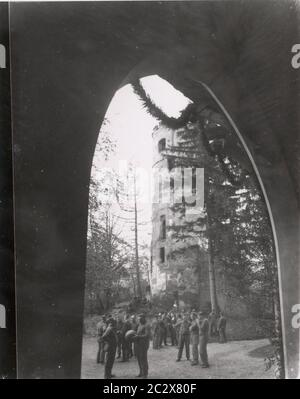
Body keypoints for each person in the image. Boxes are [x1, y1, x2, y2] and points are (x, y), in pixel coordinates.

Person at [134, 314, 151, 378]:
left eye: (140, 319)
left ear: (143, 318)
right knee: (139, 359)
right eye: (138, 319)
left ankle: (145, 374)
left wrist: (138, 336)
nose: (139, 320)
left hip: (144, 344)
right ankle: (141, 372)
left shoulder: (147, 325)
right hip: (138, 344)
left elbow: (147, 335)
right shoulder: (139, 325)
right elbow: (137, 332)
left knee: (143, 359)